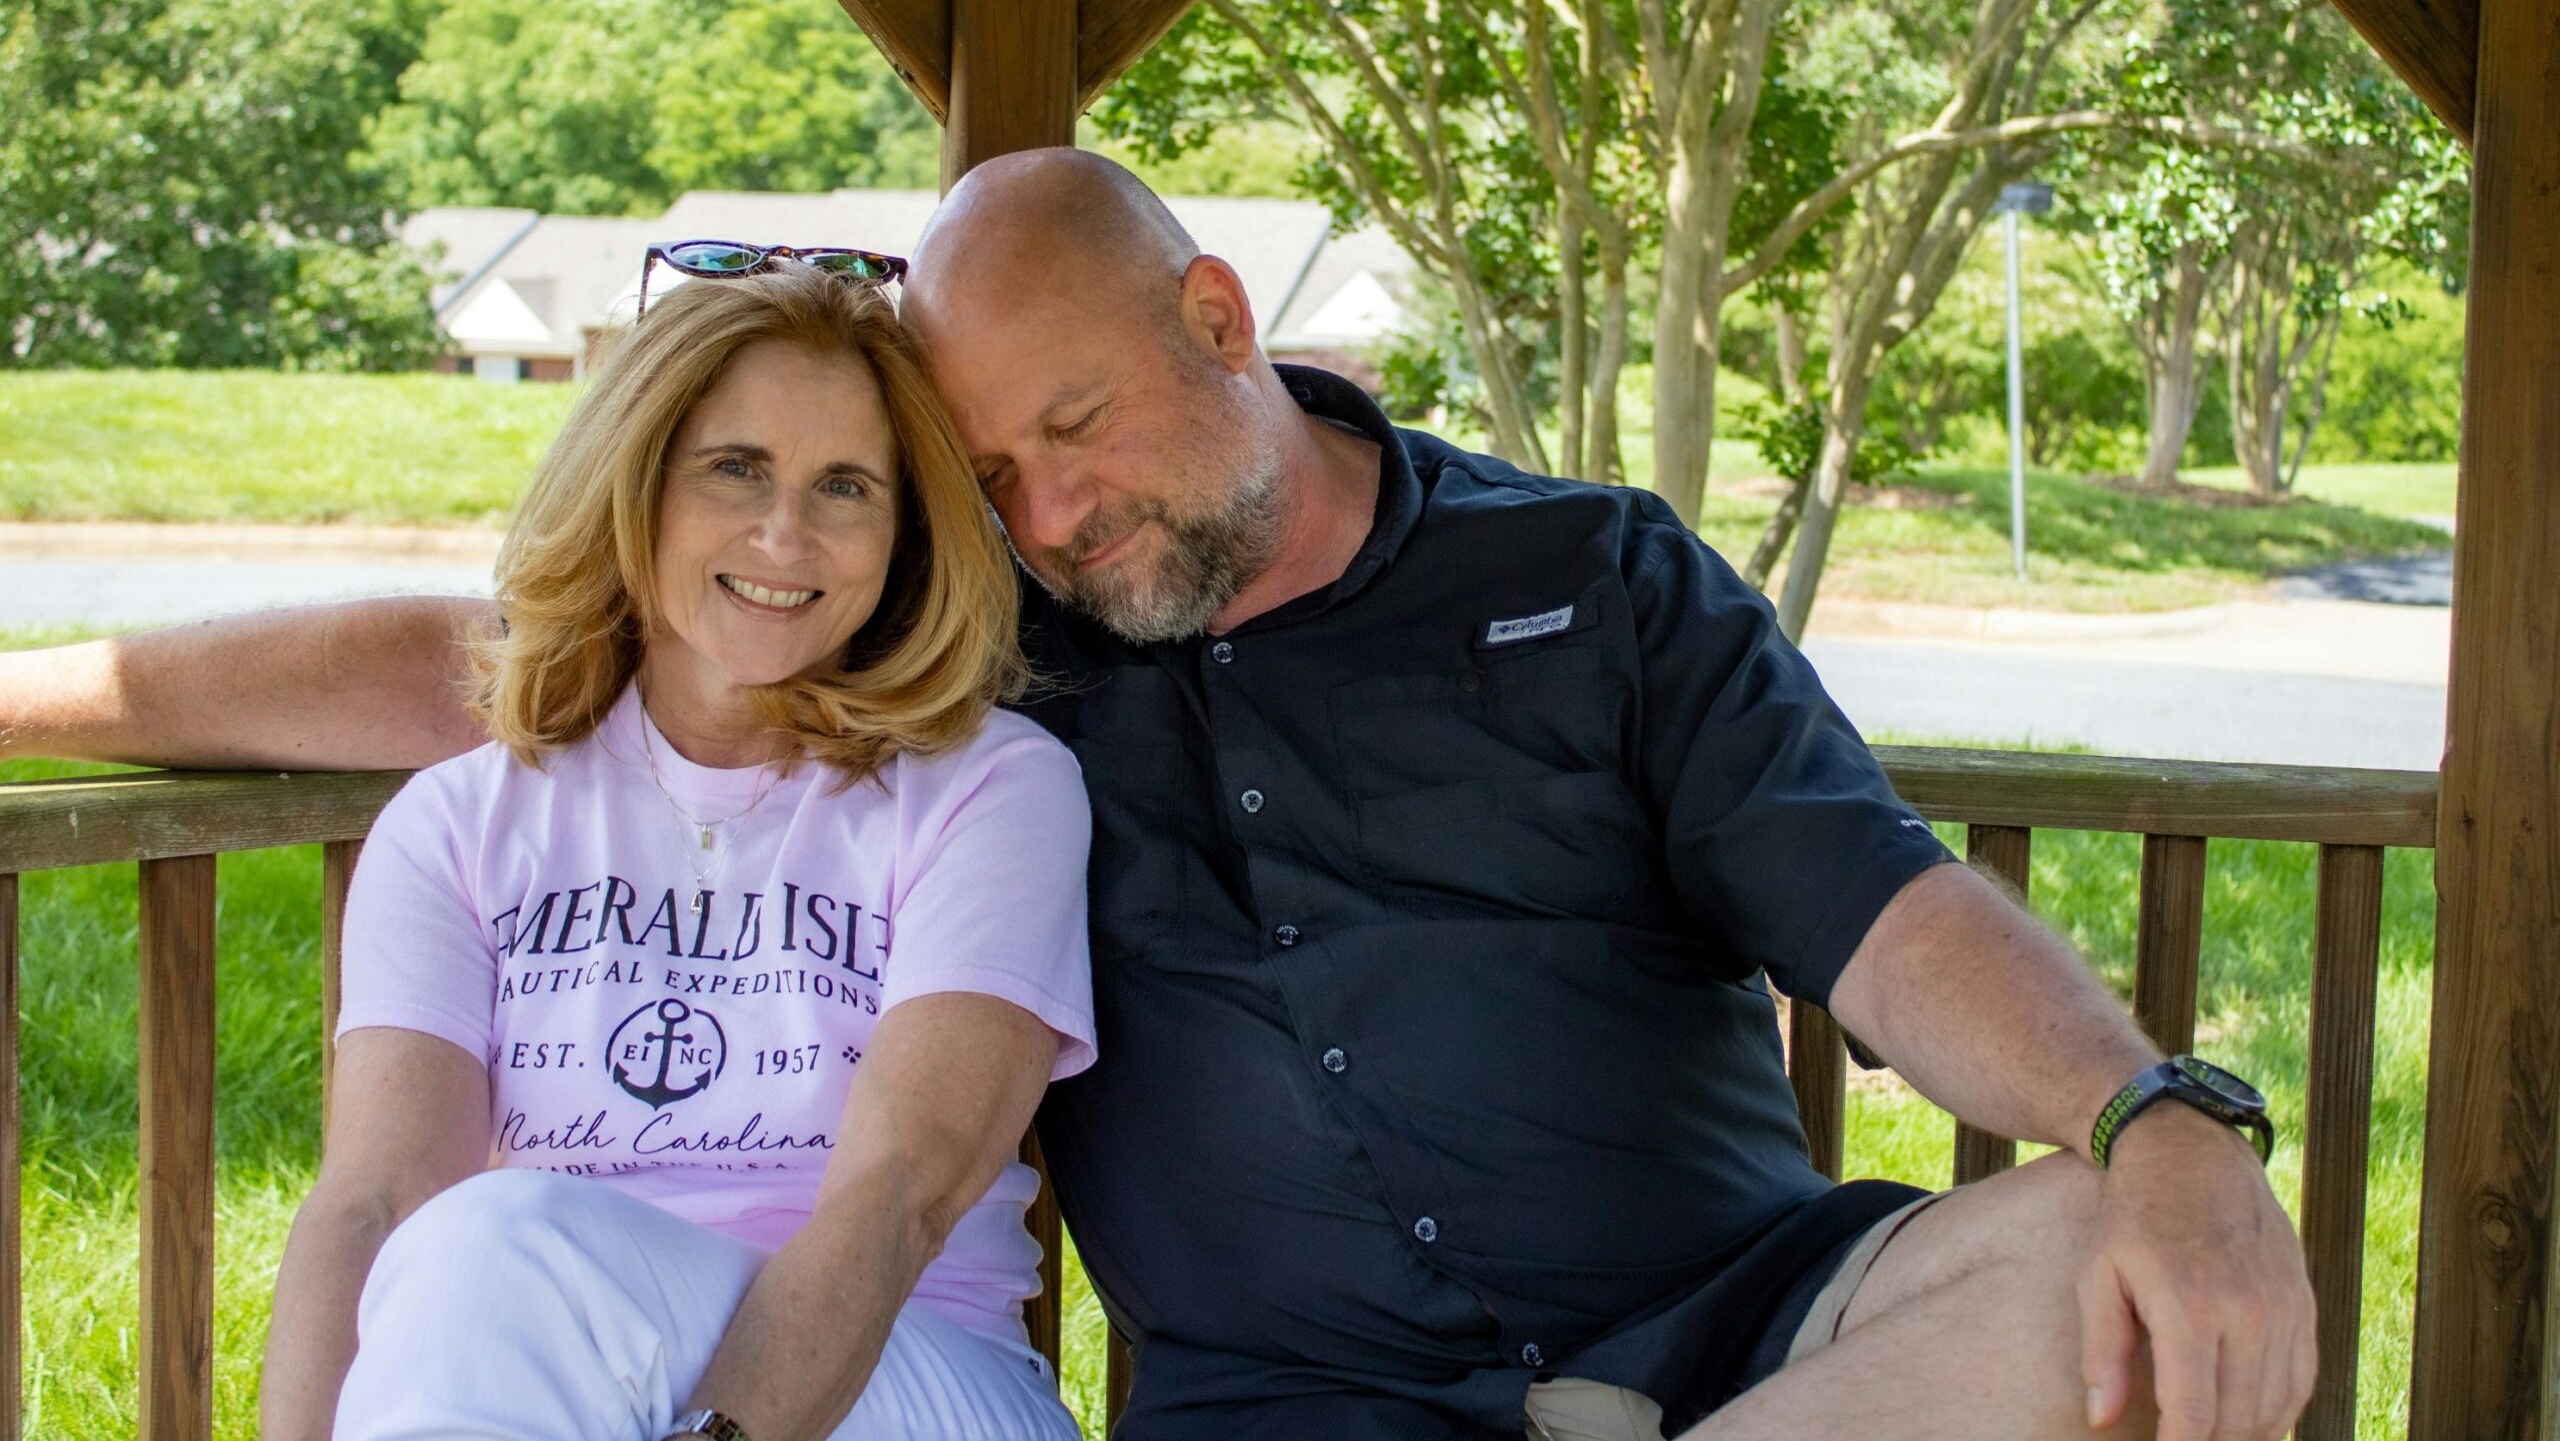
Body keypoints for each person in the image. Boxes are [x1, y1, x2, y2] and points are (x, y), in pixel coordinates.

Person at [5, 152, 2313, 1441]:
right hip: (1283, 1414)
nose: (1046, 503)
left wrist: (2157, 1112)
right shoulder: (976, 640)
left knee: (2111, 1252)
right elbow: (493, 653)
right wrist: (34, 691)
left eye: (1073, 423)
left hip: (1738, 1338)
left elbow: (1885, 916)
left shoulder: (1584, 577)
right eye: (986, 471)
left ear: (1218, 314)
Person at [254, 259, 1096, 1441]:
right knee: (469, 1246)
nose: (785, 531)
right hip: (545, 1384)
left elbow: (900, 1193)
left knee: (499, 1242)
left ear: (903, 533)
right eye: (734, 467)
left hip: (909, 1386)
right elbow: (372, 1203)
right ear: (631, 485)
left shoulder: (988, 790)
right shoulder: (460, 823)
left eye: (846, 486)